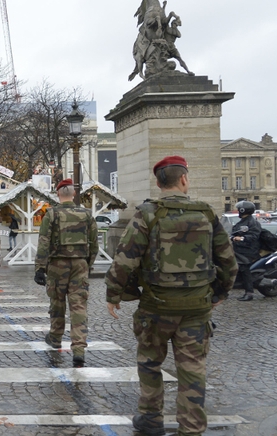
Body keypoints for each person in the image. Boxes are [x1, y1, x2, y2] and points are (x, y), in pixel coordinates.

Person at [105, 156, 237, 436]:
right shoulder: (207, 213)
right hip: (196, 308)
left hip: (156, 306)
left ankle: (151, 418)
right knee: (192, 369)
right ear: (185, 179)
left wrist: (114, 293)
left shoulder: (148, 213)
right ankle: (191, 427)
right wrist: (220, 292)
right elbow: (228, 261)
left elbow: (125, 259)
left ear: (158, 182)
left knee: (150, 363)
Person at [34, 178, 98, 367]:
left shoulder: (51, 214)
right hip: (80, 264)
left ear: (58, 194)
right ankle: (79, 348)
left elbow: (44, 241)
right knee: (78, 305)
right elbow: (94, 244)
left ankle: (55, 337)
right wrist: (88, 263)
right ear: (74, 194)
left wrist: (40, 267)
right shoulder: (86, 214)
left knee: (57, 301)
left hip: (57, 265)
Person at [231, 200, 261, 301]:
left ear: (243, 210)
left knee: (244, 269)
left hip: (247, 251)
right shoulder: (243, 221)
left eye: (239, 209)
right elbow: (234, 231)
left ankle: (249, 293)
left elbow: (254, 236)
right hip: (239, 249)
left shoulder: (252, 222)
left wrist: (241, 238)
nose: (238, 210)